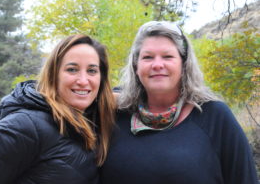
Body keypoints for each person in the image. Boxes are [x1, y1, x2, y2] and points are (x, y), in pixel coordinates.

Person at [100, 21, 259, 184]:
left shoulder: (214, 117)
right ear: (136, 66)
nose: (157, 65)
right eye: (147, 57)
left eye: (167, 56)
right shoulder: (115, 113)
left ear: (184, 64)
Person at [0, 34, 116, 184]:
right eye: (72, 69)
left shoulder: (89, 124)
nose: (83, 80)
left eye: (92, 71)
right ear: (53, 75)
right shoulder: (24, 127)